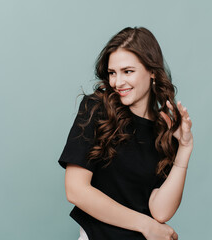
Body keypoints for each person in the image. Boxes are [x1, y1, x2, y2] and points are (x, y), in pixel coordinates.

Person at [58, 26, 193, 240]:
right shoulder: (96, 109)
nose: (117, 82)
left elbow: (160, 211)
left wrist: (184, 149)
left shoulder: (164, 129)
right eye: (113, 73)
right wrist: (146, 226)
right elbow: (75, 190)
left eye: (128, 71)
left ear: (152, 73)